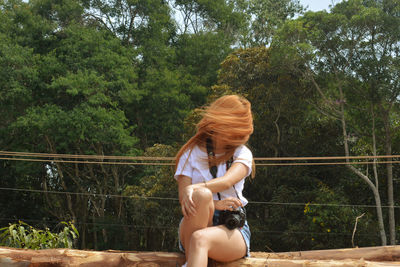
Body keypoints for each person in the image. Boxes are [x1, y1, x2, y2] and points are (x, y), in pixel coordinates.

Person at [174, 95, 254, 267]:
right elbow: (185, 200)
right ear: (220, 122)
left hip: (231, 227)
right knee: (202, 196)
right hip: (194, 219)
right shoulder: (191, 152)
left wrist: (194, 187)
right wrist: (213, 203)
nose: (239, 135)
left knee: (200, 238)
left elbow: (226, 181)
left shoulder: (242, 153)